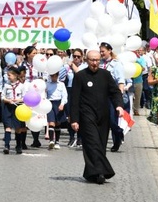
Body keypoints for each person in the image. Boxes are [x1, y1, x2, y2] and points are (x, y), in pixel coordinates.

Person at [69, 50, 125, 184]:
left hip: (103, 115)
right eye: (91, 60)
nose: (94, 63)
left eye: (97, 60)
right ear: (86, 60)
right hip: (86, 115)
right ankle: (103, 172)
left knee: (100, 143)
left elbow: (115, 92)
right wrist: (74, 119)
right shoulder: (80, 76)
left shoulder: (105, 75)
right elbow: (74, 99)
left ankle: (91, 173)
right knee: (92, 142)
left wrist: (119, 105)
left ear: (100, 60)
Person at [0, 66, 26, 154]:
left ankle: (18, 145)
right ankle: (6, 145)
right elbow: (2, 96)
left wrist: (18, 100)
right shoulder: (6, 85)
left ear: (15, 76)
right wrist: (7, 100)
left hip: (18, 108)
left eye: (9, 75)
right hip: (8, 107)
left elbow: (25, 97)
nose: (8, 77)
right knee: (8, 127)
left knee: (18, 128)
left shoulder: (22, 86)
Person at [46, 70, 68, 150]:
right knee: (51, 122)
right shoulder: (47, 84)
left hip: (58, 103)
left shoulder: (61, 84)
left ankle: (57, 142)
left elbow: (64, 95)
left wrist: (62, 104)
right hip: (50, 103)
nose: (53, 78)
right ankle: (51, 140)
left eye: (54, 76)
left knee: (58, 123)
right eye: (51, 76)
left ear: (57, 76)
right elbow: (45, 95)